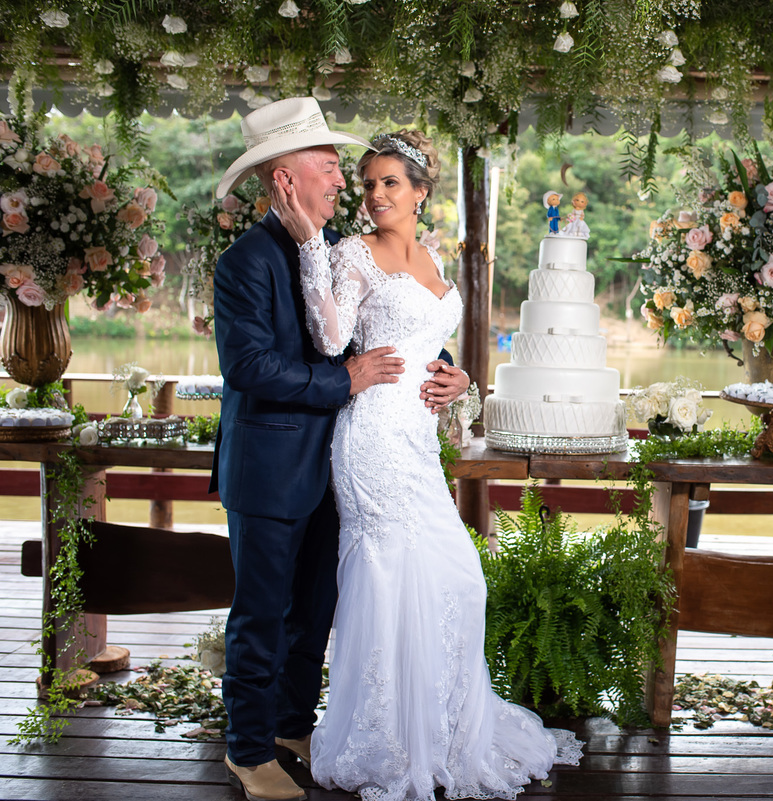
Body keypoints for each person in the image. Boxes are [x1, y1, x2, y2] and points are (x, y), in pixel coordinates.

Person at [272, 130, 583, 801]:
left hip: (416, 437)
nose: (375, 194)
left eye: (390, 182)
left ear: (420, 191)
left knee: (455, 581)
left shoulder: (433, 256)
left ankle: (437, 728)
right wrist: (306, 248)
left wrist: (459, 376)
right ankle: (386, 737)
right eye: (369, 183)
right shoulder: (352, 252)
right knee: (390, 577)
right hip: (372, 437)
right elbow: (330, 337)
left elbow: (430, 348)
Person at [210, 98, 469, 801]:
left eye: (339, 169)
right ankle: (248, 749)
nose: (343, 182)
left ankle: (292, 723)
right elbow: (250, 368)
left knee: (313, 609)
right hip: (269, 467)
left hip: (342, 459)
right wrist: (344, 377)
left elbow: (388, 320)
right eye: (329, 167)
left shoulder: (325, 248)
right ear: (284, 180)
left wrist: (451, 368)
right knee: (263, 613)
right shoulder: (246, 261)